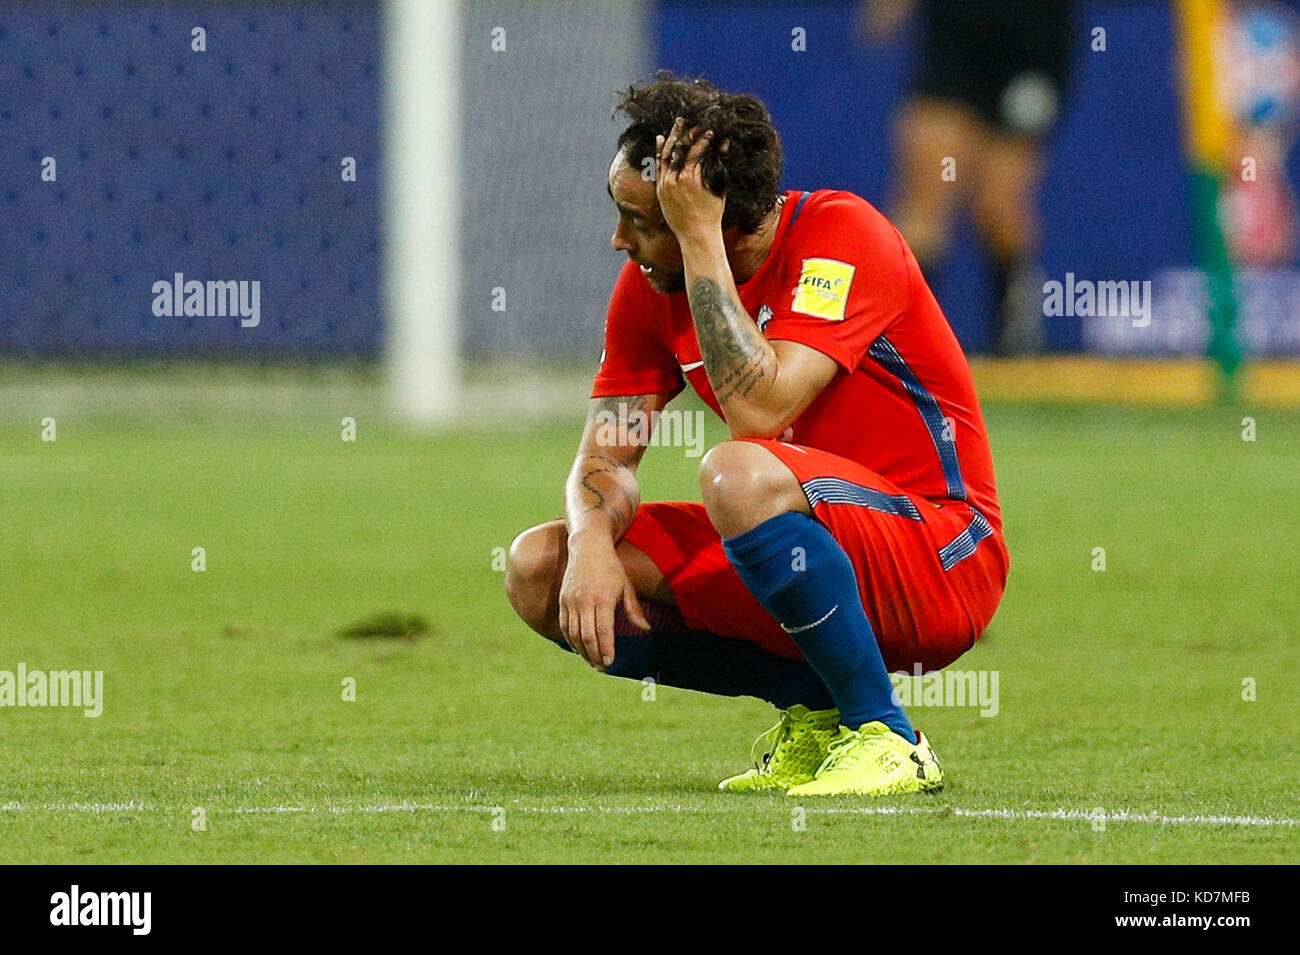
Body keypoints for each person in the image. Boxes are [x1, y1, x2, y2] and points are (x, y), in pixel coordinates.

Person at [505, 73, 1008, 797]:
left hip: (941, 553)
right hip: (810, 534)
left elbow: (760, 411)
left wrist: (698, 236)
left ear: (711, 217)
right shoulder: (650, 289)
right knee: (538, 569)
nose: (621, 241)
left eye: (642, 220)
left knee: (736, 470)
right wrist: (588, 540)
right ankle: (815, 710)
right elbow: (606, 450)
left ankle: (888, 735)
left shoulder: (843, 236)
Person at [861, 0, 1074, 354]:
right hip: (956, 35)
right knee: (924, 205)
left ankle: (1016, 337)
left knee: (998, 208)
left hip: (1030, 40)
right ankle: (902, 342)